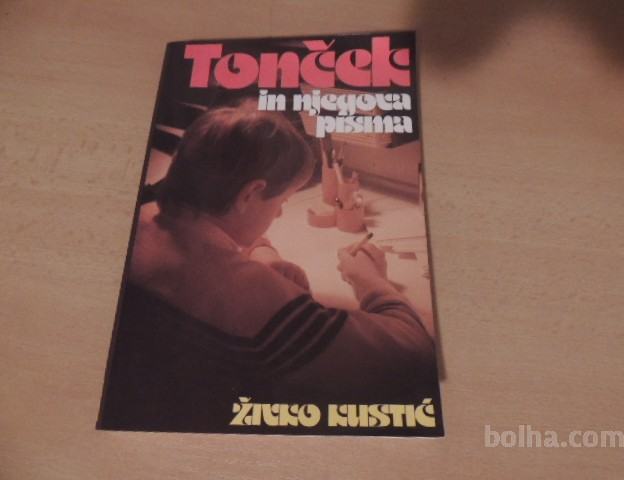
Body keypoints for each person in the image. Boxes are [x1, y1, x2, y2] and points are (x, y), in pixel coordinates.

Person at [98, 104, 437, 432]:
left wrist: (262, 252)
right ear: (251, 193)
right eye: (281, 201)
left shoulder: (141, 217)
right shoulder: (252, 300)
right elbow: (412, 353)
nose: (279, 214)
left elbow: (219, 235)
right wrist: (369, 279)